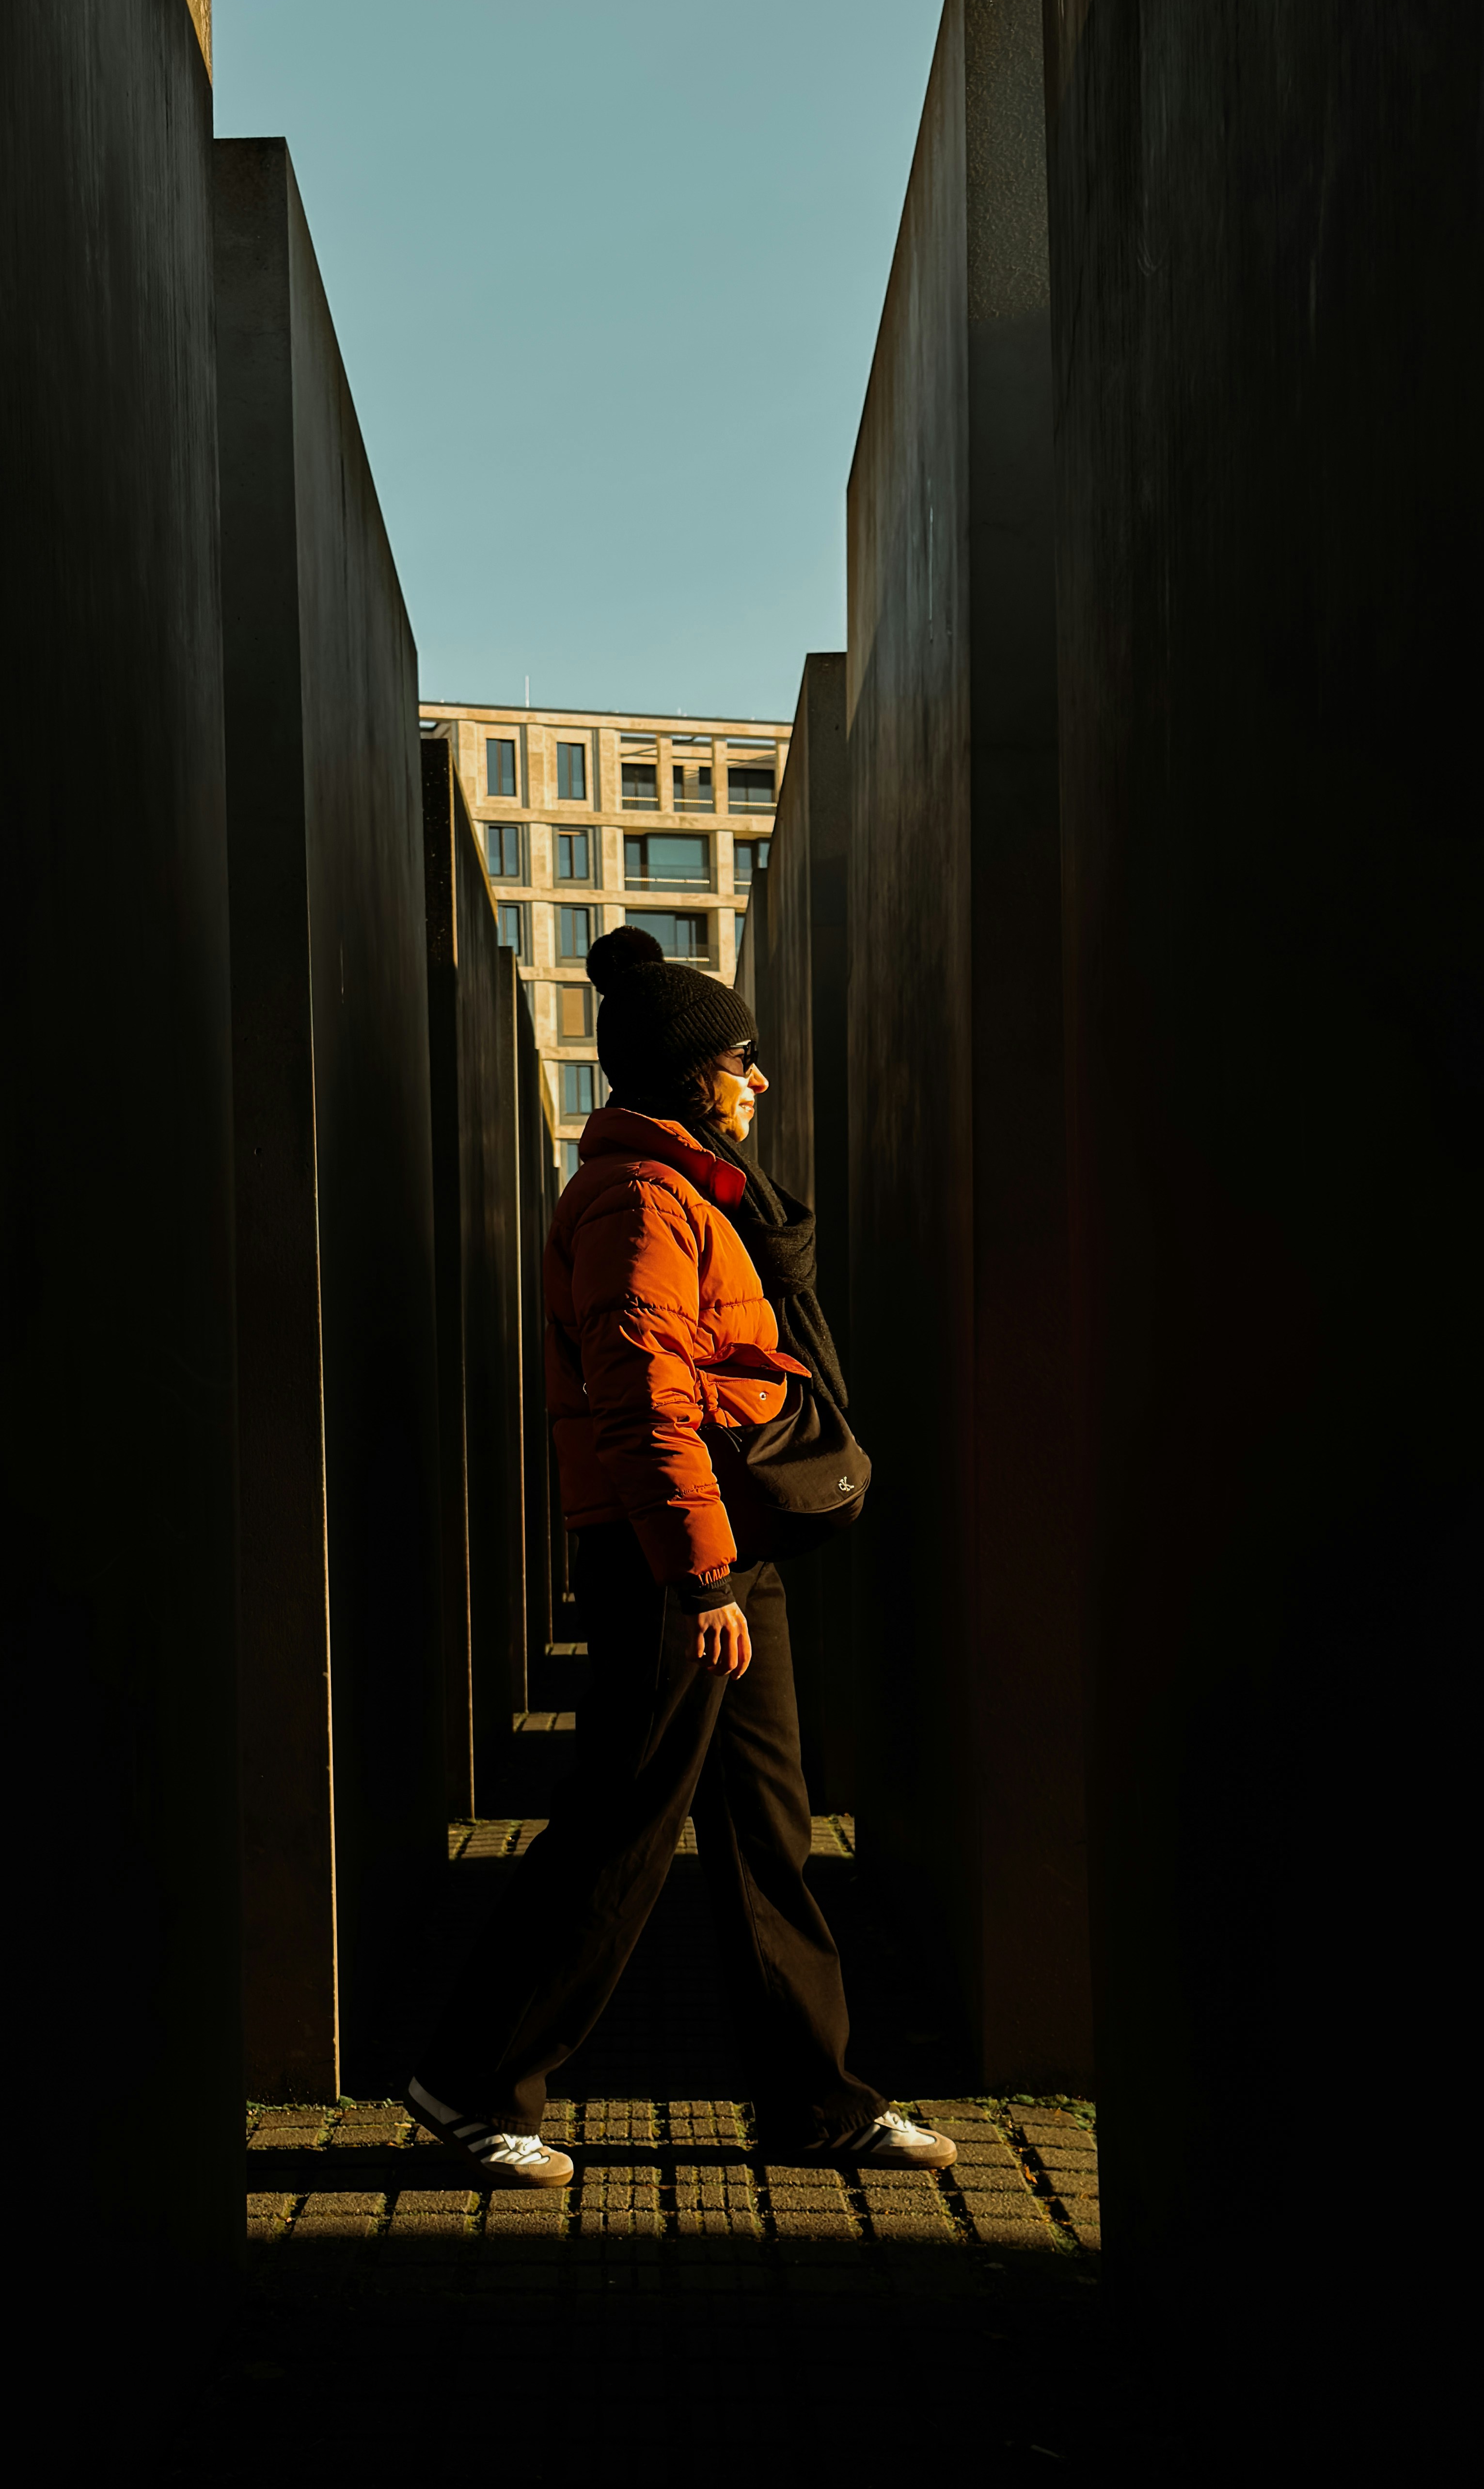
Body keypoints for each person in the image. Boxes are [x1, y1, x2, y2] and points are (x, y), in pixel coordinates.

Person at [407, 925, 953, 2186]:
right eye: (740, 1061)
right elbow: (640, 1397)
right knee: (622, 1832)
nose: (759, 1081)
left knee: (768, 1833)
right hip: (674, 1569)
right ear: (683, 1073)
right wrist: (697, 1573)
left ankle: (817, 2102)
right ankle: (470, 2083)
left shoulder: (695, 1193)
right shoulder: (638, 1200)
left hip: (727, 1558)